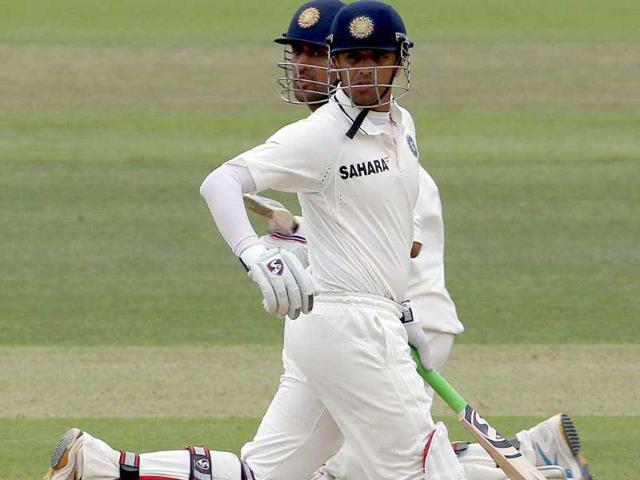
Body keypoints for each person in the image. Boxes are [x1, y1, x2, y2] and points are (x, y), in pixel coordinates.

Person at [44, 2, 465, 480]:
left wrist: (404, 310)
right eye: (350, 59)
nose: (363, 70)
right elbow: (220, 183)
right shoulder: (321, 134)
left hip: (349, 324)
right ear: (338, 64)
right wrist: (255, 251)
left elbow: (386, 243)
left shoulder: (403, 128)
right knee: (422, 470)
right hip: (352, 326)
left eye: (375, 57)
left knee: (265, 475)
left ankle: (99, 466)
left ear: (399, 60)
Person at [264, 2, 593, 480]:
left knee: (353, 472)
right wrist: (299, 236)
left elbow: (392, 251)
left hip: (407, 319)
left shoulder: (386, 151)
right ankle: (537, 451)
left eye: (315, 53)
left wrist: (297, 248)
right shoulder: (323, 142)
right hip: (357, 325)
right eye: (298, 52)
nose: (302, 65)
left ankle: (532, 466)